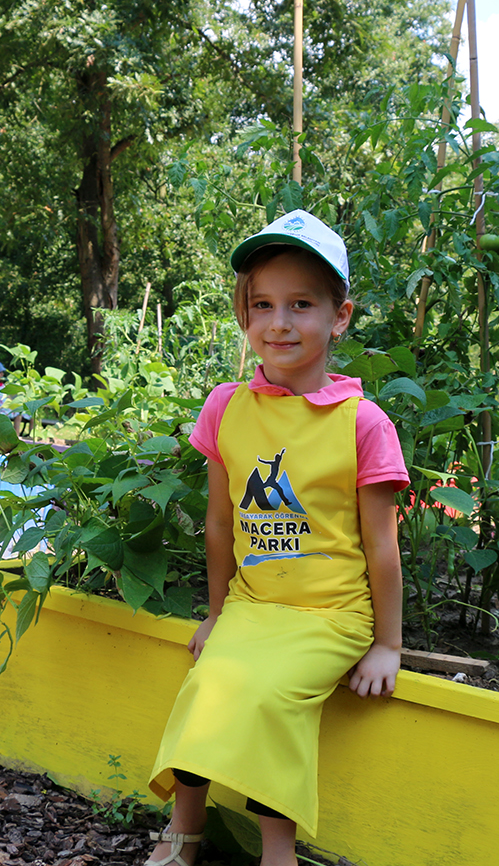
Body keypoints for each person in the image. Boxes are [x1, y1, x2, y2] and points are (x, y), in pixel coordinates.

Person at [143, 210, 409, 866]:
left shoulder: (363, 423)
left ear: (339, 316)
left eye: (301, 304)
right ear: (244, 314)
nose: (279, 323)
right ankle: (185, 829)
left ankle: (277, 853)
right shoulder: (225, 407)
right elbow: (219, 523)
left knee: (269, 697)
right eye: (262, 304)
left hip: (330, 616)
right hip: (255, 606)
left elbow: (382, 547)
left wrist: (387, 646)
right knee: (210, 681)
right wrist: (217, 613)